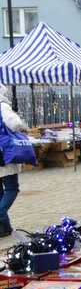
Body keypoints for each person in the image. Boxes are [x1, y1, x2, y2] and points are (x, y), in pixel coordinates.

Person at [0, 84, 27, 237]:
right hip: (5, 153)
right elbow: (15, 123)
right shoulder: (3, 107)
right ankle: (1, 214)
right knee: (11, 188)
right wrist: (23, 127)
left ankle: (5, 228)